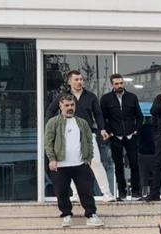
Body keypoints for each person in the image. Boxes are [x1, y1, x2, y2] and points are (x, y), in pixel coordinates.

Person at [46, 70, 115, 202]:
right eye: (76, 79)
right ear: (69, 81)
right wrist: (50, 126)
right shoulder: (63, 96)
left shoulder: (91, 96)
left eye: (81, 79)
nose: (80, 82)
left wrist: (102, 129)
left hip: (87, 134)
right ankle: (76, 194)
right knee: (70, 164)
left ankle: (106, 193)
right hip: (67, 135)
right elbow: (50, 110)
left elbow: (98, 114)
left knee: (95, 162)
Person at [45, 93, 105, 227]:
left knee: (86, 191)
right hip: (60, 165)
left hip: (80, 164)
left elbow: (89, 141)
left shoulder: (82, 123)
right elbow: (48, 143)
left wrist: (88, 158)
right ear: (60, 106)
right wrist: (52, 159)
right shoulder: (53, 122)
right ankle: (66, 215)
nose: (70, 107)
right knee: (62, 192)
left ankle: (91, 214)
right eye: (66, 105)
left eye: (72, 105)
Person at [100, 73, 143, 200]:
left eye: (121, 83)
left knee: (134, 164)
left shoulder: (132, 97)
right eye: (116, 83)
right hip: (115, 136)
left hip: (131, 136)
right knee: (118, 166)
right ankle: (122, 193)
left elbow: (139, 116)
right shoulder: (106, 99)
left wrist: (136, 131)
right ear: (112, 85)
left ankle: (135, 192)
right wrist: (109, 132)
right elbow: (103, 117)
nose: (119, 86)